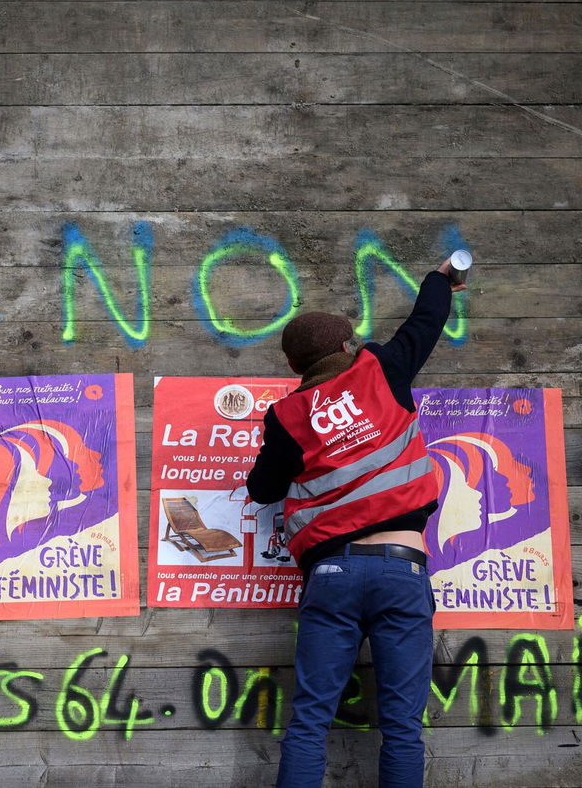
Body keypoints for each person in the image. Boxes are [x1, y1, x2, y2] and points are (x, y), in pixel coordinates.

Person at [247, 257, 466, 788]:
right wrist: (442, 278)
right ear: (345, 347)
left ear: (298, 366)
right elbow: (425, 321)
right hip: (400, 571)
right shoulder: (384, 370)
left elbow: (261, 490)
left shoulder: (288, 416)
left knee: (309, 723)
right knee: (402, 728)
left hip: (333, 578)